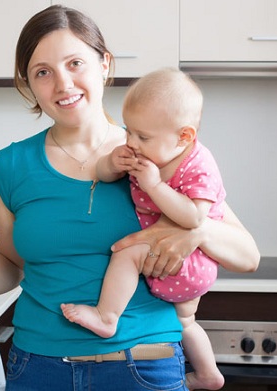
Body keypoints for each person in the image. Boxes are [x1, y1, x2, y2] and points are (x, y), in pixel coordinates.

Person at [0, 5, 259, 391]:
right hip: (37, 368)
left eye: (75, 63)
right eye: (43, 72)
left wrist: (195, 232)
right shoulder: (8, 166)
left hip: (145, 368)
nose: (63, 84)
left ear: (105, 64)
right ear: (29, 84)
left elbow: (248, 255)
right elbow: (12, 262)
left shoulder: (161, 152)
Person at [61, 67, 226, 390]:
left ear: (184, 136)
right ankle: (208, 374)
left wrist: (154, 186)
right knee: (186, 321)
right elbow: (105, 175)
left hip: (188, 262)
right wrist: (112, 163)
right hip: (179, 266)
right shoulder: (150, 154)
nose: (132, 143)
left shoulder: (199, 164)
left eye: (143, 137)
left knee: (126, 253)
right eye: (129, 132)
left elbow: (194, 218)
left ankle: (107, 317)